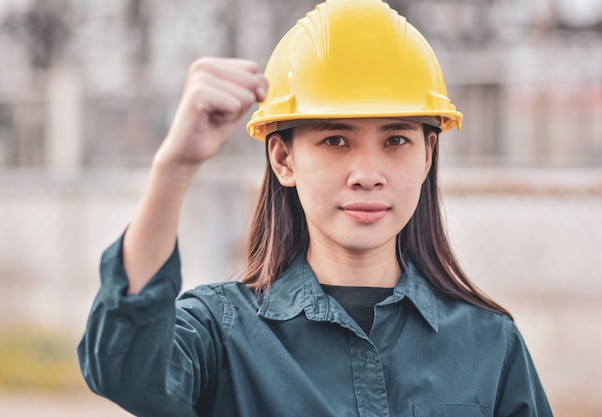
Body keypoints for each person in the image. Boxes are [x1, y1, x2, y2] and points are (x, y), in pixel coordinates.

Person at [78, 0, 554, 416]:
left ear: (428, 154)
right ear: (283, 158)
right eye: (335, 139)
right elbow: (123, 370)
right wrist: (175, 167)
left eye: (396, 140)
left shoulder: (489, 345)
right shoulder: (222, 335)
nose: (367, 172)